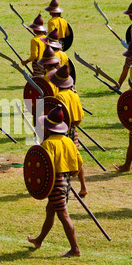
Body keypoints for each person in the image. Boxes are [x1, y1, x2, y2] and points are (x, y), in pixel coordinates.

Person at [28, 105, 83, 257]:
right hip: (66, 180)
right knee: (50, 211)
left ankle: (75, 249)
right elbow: (79, 161)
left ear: (48, 128)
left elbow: (45, 167)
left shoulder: (48, 144)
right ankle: (39, 240)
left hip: (56, 182)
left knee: (63, 215)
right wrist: (72, 174)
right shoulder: (69, 141)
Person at [50, 65, 87, 197]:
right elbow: (79, 118)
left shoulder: (59, 96)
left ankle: (61, 186)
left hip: (61, 131)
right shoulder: (74, 94)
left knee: (61, 159)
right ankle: (83, 186)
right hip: (73, 129)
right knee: (76, 156)